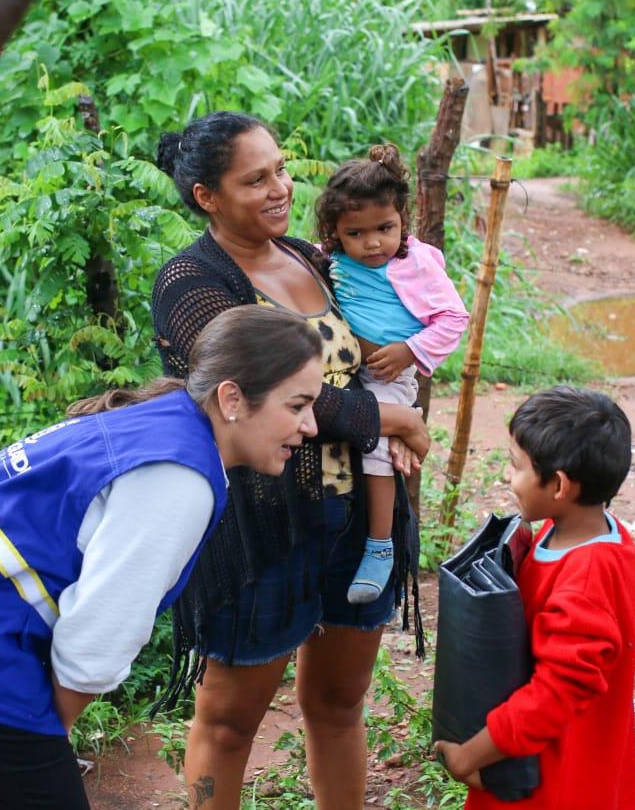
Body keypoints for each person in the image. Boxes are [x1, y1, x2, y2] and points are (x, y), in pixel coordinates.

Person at [0, 306, 323, 810]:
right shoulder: (178, 479)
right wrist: (46, 742)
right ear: (231, 398)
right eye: (297, 405)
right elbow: (99, 636)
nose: (311, 425)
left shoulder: (166, 417)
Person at [150, 111, 432, 808]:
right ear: (206, 197)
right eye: (255, 178)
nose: (280, 187)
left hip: (357, 519)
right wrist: (388, 418)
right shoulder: (190, 283)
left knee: (339, 704)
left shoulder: (311, 257)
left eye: (280, 168)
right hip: (261, 527)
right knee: (229, 716)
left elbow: (385, 335)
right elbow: (260, 391)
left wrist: (411, 367)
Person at [435, 386, 635, 810]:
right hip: (551, 763)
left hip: (552, 779)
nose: (508, 479)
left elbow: (555, 693)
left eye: (516, 466)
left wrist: (469, 755)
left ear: (560, 484)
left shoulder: (586, 576)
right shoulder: (580, 531)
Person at [314, 142, 469, 604]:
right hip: (345, 372)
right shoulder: (333, 259)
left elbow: (454, 317)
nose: (373, 242)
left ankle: (379, 546)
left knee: (379, 452)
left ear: (403, 218)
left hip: (389, 372)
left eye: (385, 228)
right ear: (336, 232)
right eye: (356, 233)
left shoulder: (413, 263)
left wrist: (410, 350)